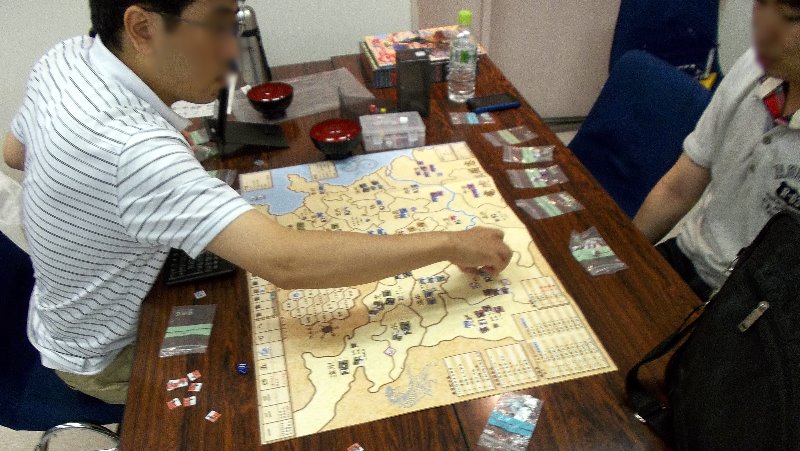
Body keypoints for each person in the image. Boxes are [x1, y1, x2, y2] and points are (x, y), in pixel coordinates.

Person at [2, 0, 512, 404]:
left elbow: (14, 153)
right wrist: (451, 243)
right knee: (285, 380)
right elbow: (287, 262)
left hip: (58, 314)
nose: (231, 53)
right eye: (218, 26)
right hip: (110, 353)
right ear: (141, 26)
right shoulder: (131, 149)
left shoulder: (67, 58)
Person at [633, 0, 800, 300]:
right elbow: (678, 188)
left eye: (789, 18)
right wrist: (625, 254)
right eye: (762, 3)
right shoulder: (755, 65)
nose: (762, 28)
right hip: (692, 255)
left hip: (757, 305)